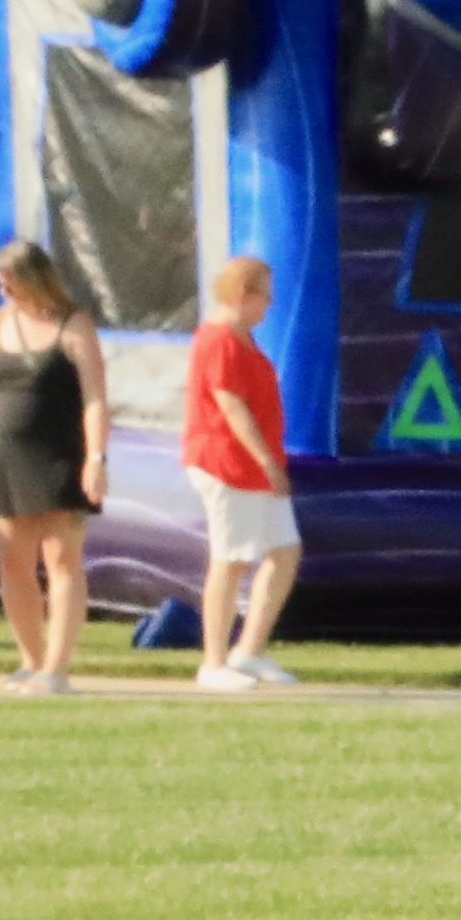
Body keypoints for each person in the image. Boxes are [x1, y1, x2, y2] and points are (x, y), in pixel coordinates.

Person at [0, 243, 112, 697]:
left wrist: (96, 458)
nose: (1, 286)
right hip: (6, 457)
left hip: (60, 456)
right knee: (13, 560)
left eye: (8, 277)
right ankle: (31, 660)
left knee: (63, 559)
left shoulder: (74, 325)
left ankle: (57, 668)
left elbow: (95, 399)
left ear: (33, 277)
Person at [183, 252, 303, 692]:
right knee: (230, 560)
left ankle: (249, 650)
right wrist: (267, 461)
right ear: (241, 295)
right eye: (264, 296)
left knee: (284, 551)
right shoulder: (219, 340)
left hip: (255, 466)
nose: (269, 305)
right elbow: (230, 406)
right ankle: (213, 662)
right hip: (227, 464)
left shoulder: (243, 339)